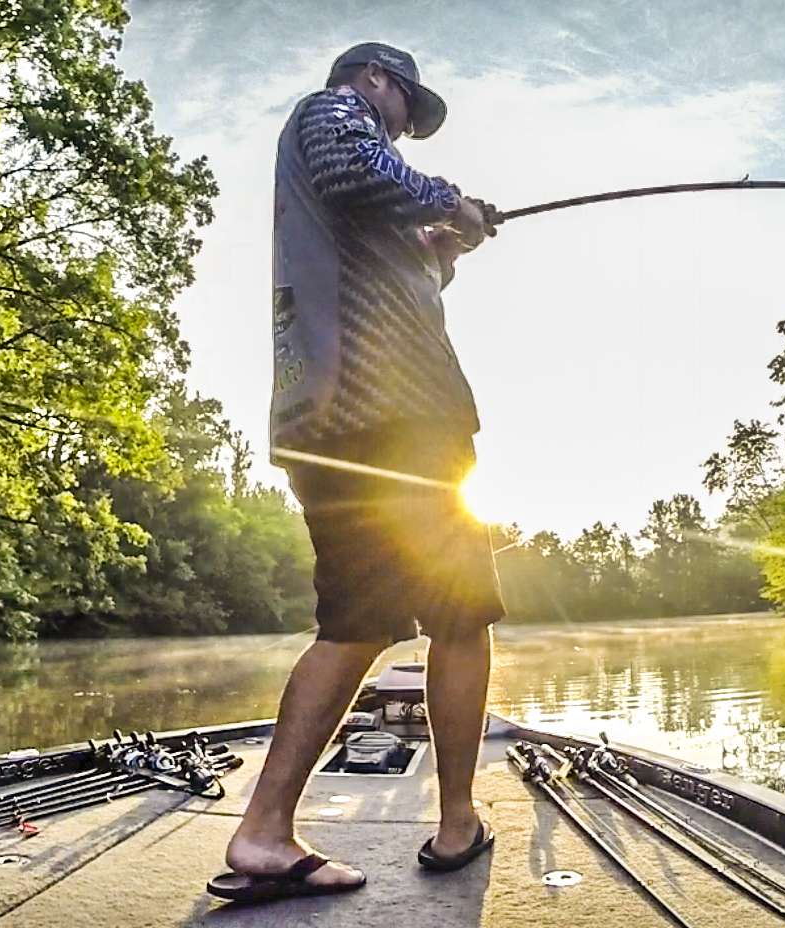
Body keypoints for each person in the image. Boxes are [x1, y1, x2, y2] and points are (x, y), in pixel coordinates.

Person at [207, 42, 504, 903]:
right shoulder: (332, 115)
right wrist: (452, 199)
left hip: (331, 424)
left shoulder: (358, 187)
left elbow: (392, 258)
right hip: (399, 419)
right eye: (406, 104)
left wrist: (445, 245)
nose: (406, 125)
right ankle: (457, 824)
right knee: (460, 614)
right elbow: (356, 170)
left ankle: (263, 834)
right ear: (375, 79)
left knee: (356, 622)